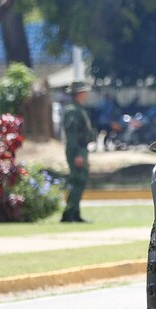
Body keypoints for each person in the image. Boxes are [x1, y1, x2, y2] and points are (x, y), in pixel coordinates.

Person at [62, 81, 95, 223]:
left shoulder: (78, 109)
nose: (86, 94)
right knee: (77, 180)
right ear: (79, 93)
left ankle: (74, 213)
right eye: (84, 91)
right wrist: (77, 155)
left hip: (81, 149)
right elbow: (72, 136)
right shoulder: (72, 111)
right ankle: (69, 213)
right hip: (77, 150)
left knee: (80, 180)